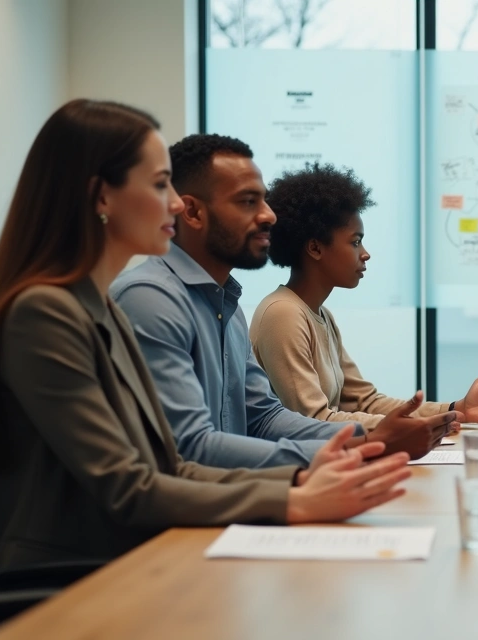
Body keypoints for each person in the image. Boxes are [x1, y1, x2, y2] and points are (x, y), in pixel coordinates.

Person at [0, 100, 412, 571]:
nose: (175, 202)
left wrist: (307, 477)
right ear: (101, 198)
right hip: (75, 582)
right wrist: (295, 496)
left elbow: (171, 464)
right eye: (159, 185)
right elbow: (130, 486)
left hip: (135, 556)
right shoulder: (50, 313)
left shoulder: (103, 307)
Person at [111, 134, 457, 468]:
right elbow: (190, 448)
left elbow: (264, 418)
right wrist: (368, 443)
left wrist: (372, 434)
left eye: (264, 200)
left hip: (227, 501)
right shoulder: (150, 299)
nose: (269, 216)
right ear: (193, 212)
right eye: (248, 201)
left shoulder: (226, 306)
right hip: (177, 519)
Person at [251, 162, 478, 429]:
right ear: (315, 248)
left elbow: (364, 401)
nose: (365, 253)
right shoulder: (283, 314)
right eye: (355, 241)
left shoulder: (320, 315)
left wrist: (457, 409)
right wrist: (417, 426)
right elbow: (313, 420)